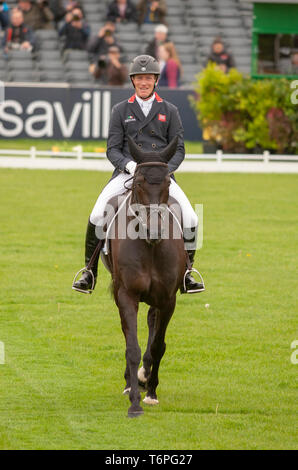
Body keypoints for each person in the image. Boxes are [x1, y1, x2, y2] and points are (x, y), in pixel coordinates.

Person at [72, 54, 204, 295]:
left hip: (160, 177)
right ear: (133, 81)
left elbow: (180, 149)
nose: (144, 82)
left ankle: (187, 272)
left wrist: (163, 171)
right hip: (128, 173)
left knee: (192, 218)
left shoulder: (170, 110)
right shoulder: (121, 110)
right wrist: (131, 166)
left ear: (155, 80)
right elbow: (112, 149)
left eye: (148, 78)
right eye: (140, 78)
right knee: (96, 214)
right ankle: (89, 271)